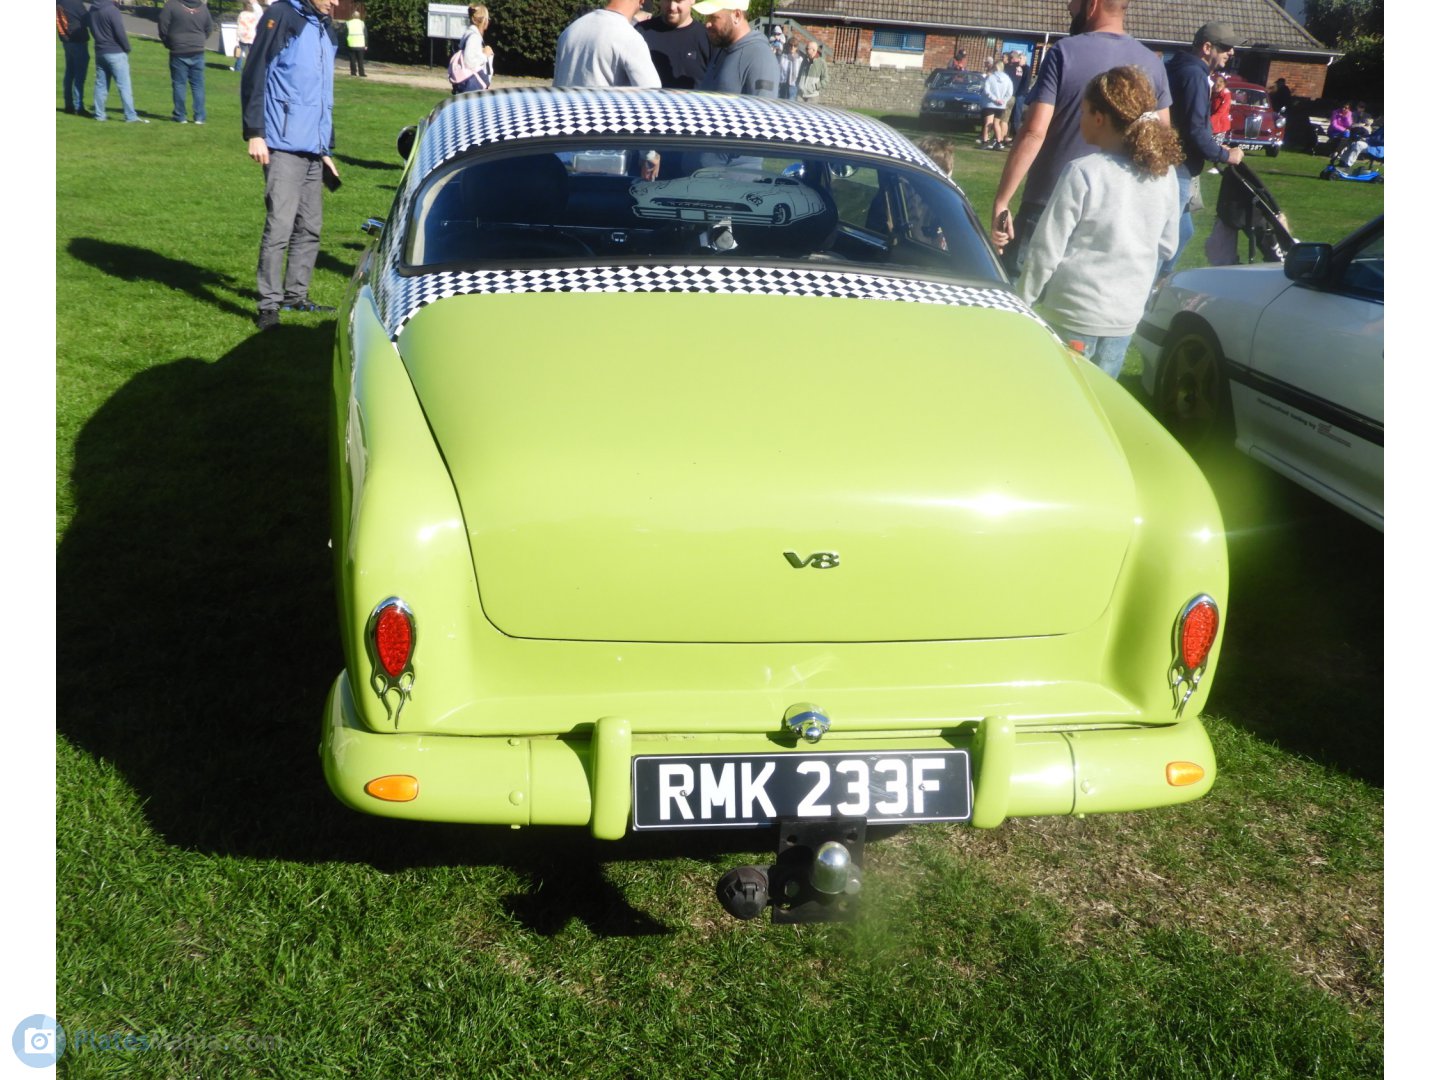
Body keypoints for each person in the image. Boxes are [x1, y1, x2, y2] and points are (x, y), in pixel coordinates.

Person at [1017, 65, 1182, 379]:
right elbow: (1167, 245)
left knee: (1064, 402)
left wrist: (1023, 301)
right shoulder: (1166, 175)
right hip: (1124, 318)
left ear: (1099, 117)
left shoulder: (1083, 172)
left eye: (1082, 111)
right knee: (1102, 406)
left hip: (1074, 314)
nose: (1079, 119)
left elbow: (1045, 249)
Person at [991, 0, 1169, 278]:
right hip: (1117, 209)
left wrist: (1002, 201)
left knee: (1025, 296)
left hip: (1048, 202)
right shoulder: (1152, 64)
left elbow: (1034, 131)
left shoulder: (1063, 52)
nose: (1068, 6)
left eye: (1074, 1)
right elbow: (1161, 138)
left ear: (1093, 4)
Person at [241, 0, 340, 330]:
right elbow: (254, 71)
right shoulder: (282, 15)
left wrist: (326, 147)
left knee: (310, 226)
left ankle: (296, 296)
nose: (336, 3)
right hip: (281, 145)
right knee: (280, 226)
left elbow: (322, 93)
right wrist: (255, 132)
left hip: (313, 148)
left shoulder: (325, 26)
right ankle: (268, 304)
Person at [1160, 21, 1244, 274]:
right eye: (1226, 47)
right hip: (1178, 167)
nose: (1232, 53)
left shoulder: (1177, 67)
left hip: (1171, 163)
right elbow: (1195, 129)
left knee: (1184, 231)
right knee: (1165, 241)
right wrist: (1225, 155)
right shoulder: (1194, 75)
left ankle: (1157, 281)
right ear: (1207, 47)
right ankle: (1148, 289)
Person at [553, 0, 660, 88]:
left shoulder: (569, 31)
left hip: (567, 111)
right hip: (603, 112)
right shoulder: (629, 37)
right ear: (641, 1)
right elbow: (652, 96)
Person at [695, 0, 779, 97]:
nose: (707, 24)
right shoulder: (722, 48)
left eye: (713, 18)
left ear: (737, 15)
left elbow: (763, 109)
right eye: (707, 17)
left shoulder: (760, 58)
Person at [90, 0, 148, 123]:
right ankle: (130, 116)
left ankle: (99, 114)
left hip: (100, 50)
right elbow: (119, 31)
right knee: (124, 86)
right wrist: (127, 47)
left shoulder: (93, 9)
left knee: (101, 85)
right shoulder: (112, 10)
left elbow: (92, 29)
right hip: (115, 51)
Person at [634, 0, 713, 90]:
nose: (672, 7)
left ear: (692, 1)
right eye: (667, 0)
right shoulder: (642, 32)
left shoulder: (708, 37)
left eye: (678, 1)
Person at [159, 0, 214, 125]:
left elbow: (163, 27)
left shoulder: (171, 5)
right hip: (197, 49)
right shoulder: (202, 7)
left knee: (179, 84)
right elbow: (209, 28)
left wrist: (169, 42)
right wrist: (199, 40)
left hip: (179, 48)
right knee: (198, 85)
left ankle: (180, 116)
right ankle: (199, 117)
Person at [57, 0, 91, 116]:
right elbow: (87, 19)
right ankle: (78, 106)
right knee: (79, 75)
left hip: (66, 39)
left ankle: (69, 104)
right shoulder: (75, 3)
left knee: (69, 73)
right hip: (77, 39)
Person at [450, 5, 494, 93]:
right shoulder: (474, 37)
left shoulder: (469, 35)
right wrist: (485, 55)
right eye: (488, 19)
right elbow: (469, 61)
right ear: (484, 20)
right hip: (471, 84)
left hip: (465, 82)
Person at [981, 56, 1013, 149]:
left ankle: (985, 141)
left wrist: (995, 99)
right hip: (1001, 105)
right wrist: (1003, 100)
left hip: (990, 103)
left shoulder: (990, 78)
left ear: (995, 67)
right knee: (996, 123)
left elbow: (986, 90)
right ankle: (999, 142)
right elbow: (1009, 92)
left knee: (988, 122)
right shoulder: (1008, 79)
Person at [1004, 50, 1031, 145]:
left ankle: (1016, 136)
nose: (1019, 60)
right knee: (1012, 115)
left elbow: (1026, 83)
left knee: (1017, 115)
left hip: (1020, 94)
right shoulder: (1018, 68)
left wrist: (1021, 93)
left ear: (1023, 59)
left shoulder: (1026, 69)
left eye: (1021, 58)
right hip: (1015, 94)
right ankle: (1010, 135)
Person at [1207, 73, 1231, 172]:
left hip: (1220, 124)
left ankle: (1216, 165)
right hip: (1213, 122)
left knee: (1218, 144)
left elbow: (1222, 111)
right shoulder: (1214, 94)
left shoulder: (1226, 95)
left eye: (1221, 81)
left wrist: (1210, 120)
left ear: (1225, 83)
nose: (1218, 83)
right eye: (1217, 81)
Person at [233, 0, 264, 74]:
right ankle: (252, 67)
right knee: (252, 53)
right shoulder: (254, 15)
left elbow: (239, 24)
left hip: (243, 36)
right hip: (252, 36)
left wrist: (237, 36)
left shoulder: (242, 14)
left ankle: (237, 67)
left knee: (240, 53)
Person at [345, 3, 367, 77]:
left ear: (352, 16)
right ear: (359, 16)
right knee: (360, 60)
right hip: (361, 44)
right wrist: (366, 44)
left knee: (352, 60)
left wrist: (346, 43)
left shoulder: (348, 23)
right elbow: (366, 34)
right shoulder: (362, 23)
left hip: (351, 44)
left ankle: (353, 72)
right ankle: (362, 73)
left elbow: (345, 34)